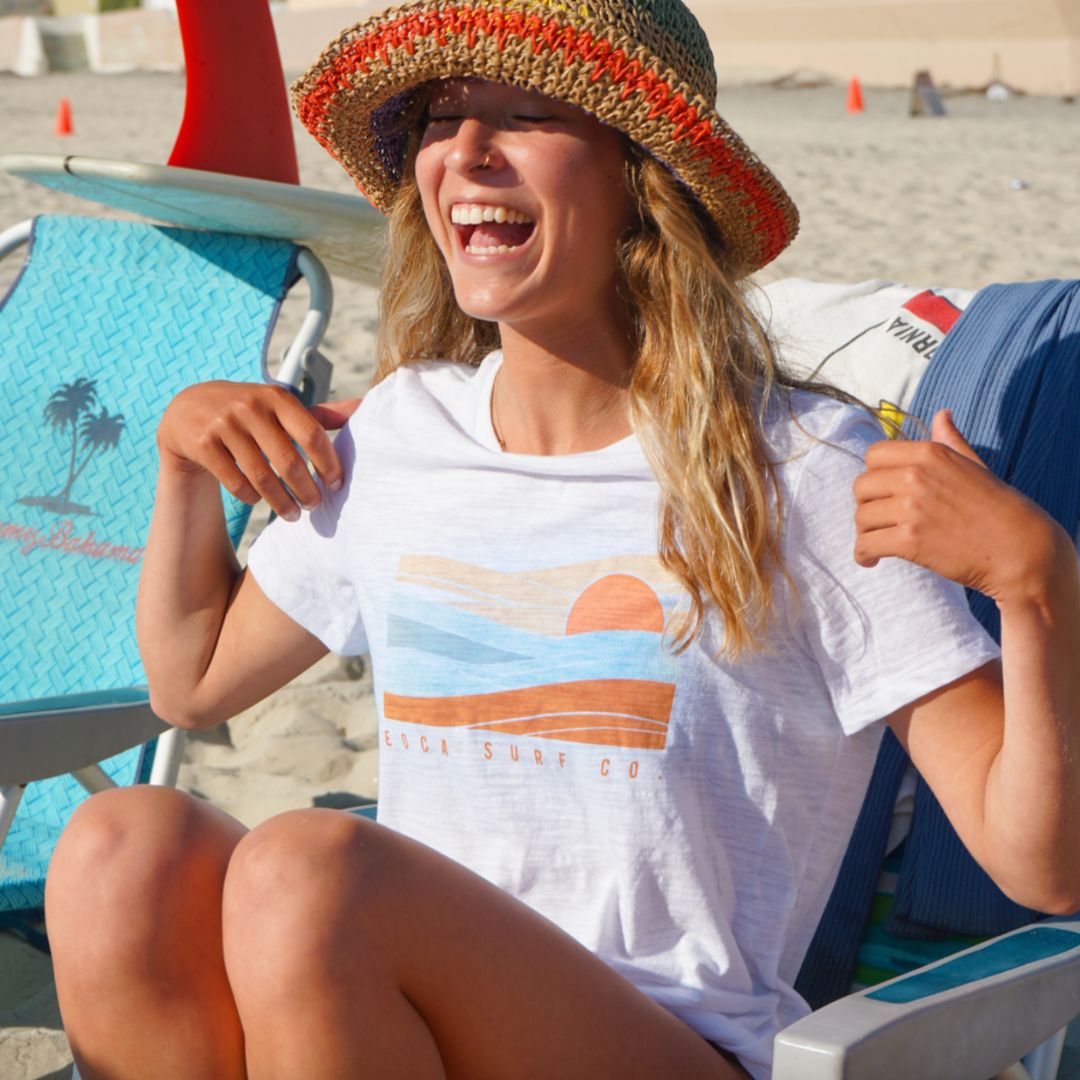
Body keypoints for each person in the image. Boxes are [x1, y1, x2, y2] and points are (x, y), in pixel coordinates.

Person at [44, 1, 1080, 1077]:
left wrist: (1037, 588)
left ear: (644, 178)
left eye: (528, 114)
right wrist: (179, 463)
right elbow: (191, 684)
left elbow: (1036, 865)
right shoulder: (404, 435)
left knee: (311, 870)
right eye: (445, 117)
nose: (468, 152)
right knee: (124, 847)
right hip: (381, 1006)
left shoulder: (800, 468)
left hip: (672, 1039)